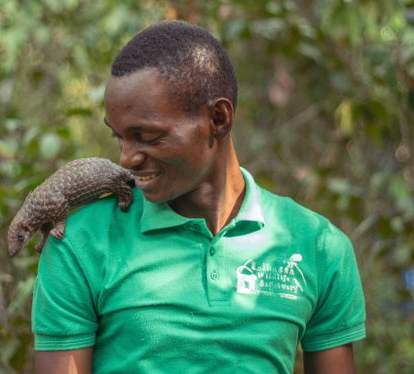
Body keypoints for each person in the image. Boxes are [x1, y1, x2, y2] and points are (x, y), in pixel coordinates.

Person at [32, 20, 366, 373]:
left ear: (218, 119)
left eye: (148, 136)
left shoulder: (317, 246)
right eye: (120, 137)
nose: (126, 159)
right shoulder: (80, 243)